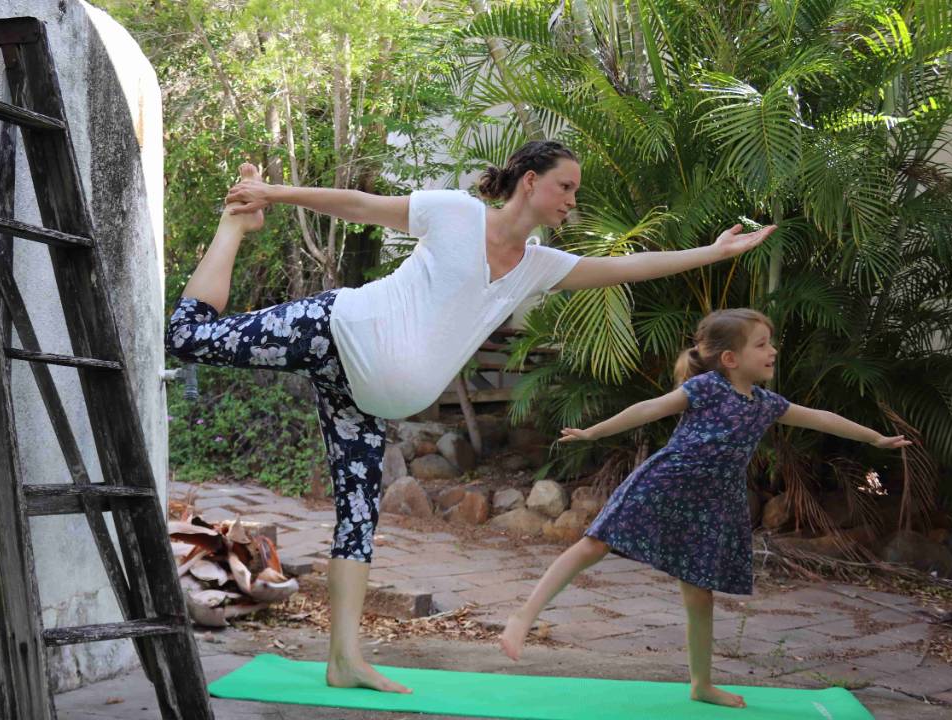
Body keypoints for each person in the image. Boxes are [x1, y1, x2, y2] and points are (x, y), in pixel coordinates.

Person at [167, 140, 777, 694]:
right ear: (531, 181)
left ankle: (344, 659)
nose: (573, 200)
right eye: (566, 186)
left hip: (368, 391)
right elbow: (359, 204)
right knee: (191, 337)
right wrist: (270, 193)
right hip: (342, 330)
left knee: (358, 514)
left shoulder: (540, 266)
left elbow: (626, 269)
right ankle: (233, 225)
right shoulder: (454, 213)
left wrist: (714, 253)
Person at [498, 308, 912, 708]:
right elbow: (649, 408)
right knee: (594, 545)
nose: (772, 352)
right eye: (762, 345)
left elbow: (819, 418)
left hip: (715, 504)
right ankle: (524, 616)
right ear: (730, 359)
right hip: (669, 482)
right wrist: (594, 431)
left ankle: (701, 684)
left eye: (771, 344)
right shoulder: (707, 388)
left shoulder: (766, 404)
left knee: (700, 595)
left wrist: (875, 438)